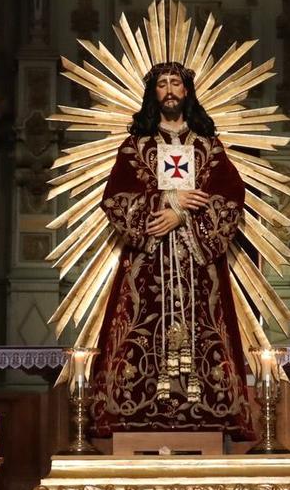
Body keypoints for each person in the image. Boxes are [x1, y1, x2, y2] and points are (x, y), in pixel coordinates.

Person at [89, 62, 254, 435]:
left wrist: (181, 215)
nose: (169, 90)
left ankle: (210, 413)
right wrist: (166, 199)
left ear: (187, 91)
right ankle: (133, 411)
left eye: (175, 83)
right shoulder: (136, 147)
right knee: (139, 329)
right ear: (153, 94)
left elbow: (231, 197)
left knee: (206, 329)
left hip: (197, 266)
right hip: (147, 265)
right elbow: (115, 199)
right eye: (162, 84)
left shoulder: (207, 147)